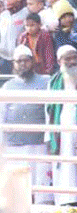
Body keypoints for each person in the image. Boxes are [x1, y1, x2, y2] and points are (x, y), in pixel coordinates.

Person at [2, 45, 52, 203]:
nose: (22, 64)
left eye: (25, 60)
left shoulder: (46, 82)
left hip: (38, 143)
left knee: (40, 186)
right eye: (18, 61)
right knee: (16, 187)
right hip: (14, 143)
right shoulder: (8, 86)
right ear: (14, 65)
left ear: (32, 61)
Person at [46, 45, 77, 205]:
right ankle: (65, 200)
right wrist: (48, 135)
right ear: (59, 61)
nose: (72, 61)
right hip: (60, 126)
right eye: (67, 58)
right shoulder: (53, 81)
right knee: (64, 163)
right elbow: (48, 110)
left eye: (74, 57)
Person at [17, 11, 56, 75]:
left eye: (32, 25)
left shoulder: (45, 35)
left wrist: (49, 70)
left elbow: (49, 53)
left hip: (43, 65)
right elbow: (20, 53)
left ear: (39, 25)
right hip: (30, 66)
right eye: (27, 26)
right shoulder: (23, 37)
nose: (29, 28)